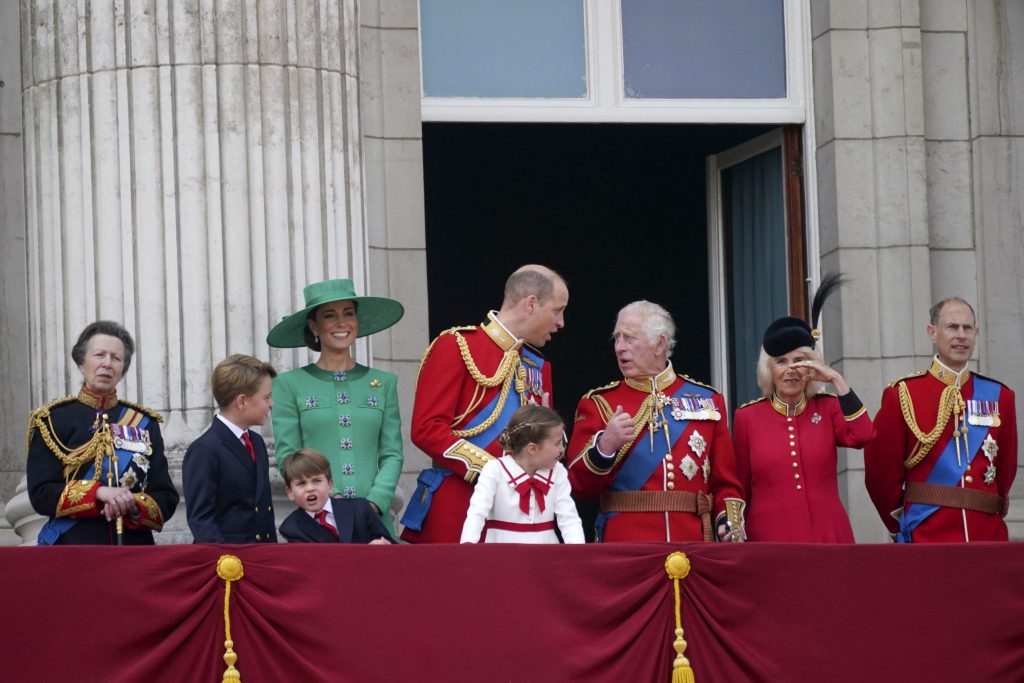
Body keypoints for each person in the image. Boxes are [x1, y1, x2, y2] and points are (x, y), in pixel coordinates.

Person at [400, 265, 569, 543]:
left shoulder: (537, 367)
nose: (561, 322)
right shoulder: (456, 346)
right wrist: (495, 474)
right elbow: (427, 429)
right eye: (557, 310)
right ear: (531, 303)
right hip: (460, 507)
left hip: (522, 517)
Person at [566, 301, 745, 542]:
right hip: (625, 545)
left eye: (629, 338)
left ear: (660, 343)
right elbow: (576, 487)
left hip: (693, 542)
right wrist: (604, 447)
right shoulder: (599, 404)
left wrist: (728, 521)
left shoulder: (708, 400)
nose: (619, 347)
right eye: (616, 338)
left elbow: (726, 482)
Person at [732, 275, 874, 542]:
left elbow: (864, 435)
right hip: (770, 541)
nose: (790, 369)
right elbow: (739, 488)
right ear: (769, 370)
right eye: (781, 362)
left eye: (799, 361)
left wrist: (836, 379)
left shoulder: (829, 407)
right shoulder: (747, 417)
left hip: (828, 537)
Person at [864, 297, 1017, 542]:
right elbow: (880, 475)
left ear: (976, 333)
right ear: (932, 333)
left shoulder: (1001, 396)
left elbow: (1005, 470)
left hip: (987, 535)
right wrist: (902, 525)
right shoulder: (903, 394)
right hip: (927, 534)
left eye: (967, 328)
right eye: (952, 327)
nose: (961, 335)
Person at [267, 278, 405, 536]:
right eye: (330, 316)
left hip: (375, 520)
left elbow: (392, 454)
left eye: (348, 314)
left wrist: (374, 502)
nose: (341, 323)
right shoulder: (288, 385)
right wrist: (330, 501)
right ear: (314, 326)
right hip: (320, 522)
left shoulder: (384, 383)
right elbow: (289, 456)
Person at [26, 320, 179, 545]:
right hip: (74, 550)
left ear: (122, 370)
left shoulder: (145, 423)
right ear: (81, 363)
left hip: (134, 550)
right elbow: (41, 494)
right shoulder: (52, 419)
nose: (107, 363)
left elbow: (166, 497)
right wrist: (98, 493)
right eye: (99, 355)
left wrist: (132, 504)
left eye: (116, 358)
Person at [183, 354, 278, 543]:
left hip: (261, 556)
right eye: (266, 397)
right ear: (241, 401)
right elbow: (202, 521)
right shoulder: (204, 450)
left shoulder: (257, 442)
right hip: (228, 563)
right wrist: (227, 564)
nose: (271, 403)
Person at [460, 405, 584, 544]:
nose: (562, 449)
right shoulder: (494, 469)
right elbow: (476, 513)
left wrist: (578, 556)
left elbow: (569, 519)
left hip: (546, 557)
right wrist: (467, 548)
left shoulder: (558, 472)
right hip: (502, 555)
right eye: (557, 443)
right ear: (532, 449)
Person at [279, 449, 393, 544]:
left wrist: (384, 545)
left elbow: (394, 549)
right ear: (290, 493)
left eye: (316, 481)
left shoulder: (360, 508)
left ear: (330, 485)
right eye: (301, 483)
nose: (310, 488)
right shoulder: (291, 528)